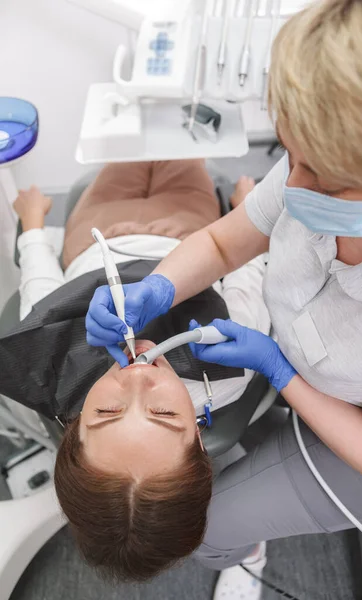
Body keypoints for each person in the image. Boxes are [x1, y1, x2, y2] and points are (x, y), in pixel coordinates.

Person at [85, 1, 362, 598]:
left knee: (208, 533)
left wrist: (278, 372)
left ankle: (243, 552)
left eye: (326, 180)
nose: (294, 183)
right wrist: (159, 286)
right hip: (302, 372)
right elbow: (227, 243)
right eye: (291, 154)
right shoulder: (317, 169)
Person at [11, 159, 271, 580]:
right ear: (200, 442)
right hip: (191, 232)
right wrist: (247, 213)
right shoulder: (228, 372)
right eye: (165, 414)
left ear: (72, 429)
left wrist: (34, 224)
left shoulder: (59, 374)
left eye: (107, 412)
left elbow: (42, 297)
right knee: (179, 143)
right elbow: (243, 282)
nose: (137, 378)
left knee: (127, 146)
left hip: (95, 236)